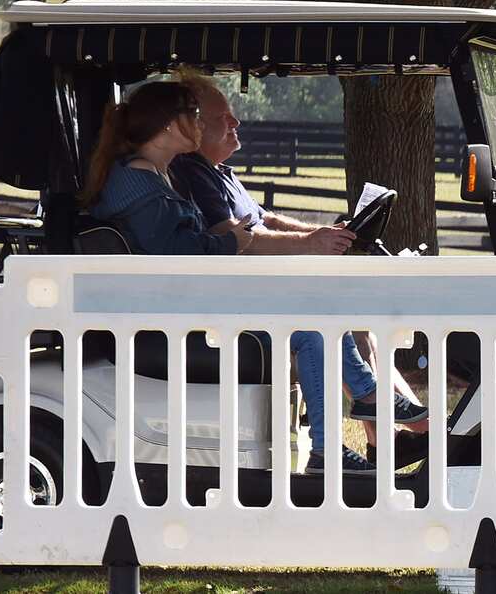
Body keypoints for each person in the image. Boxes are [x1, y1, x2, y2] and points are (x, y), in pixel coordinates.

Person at [83, 81, 380, 475]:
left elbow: (184, 248)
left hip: (180, 306)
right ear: (171, 126)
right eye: (194, 116)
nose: (201, 125)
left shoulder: (155, 176)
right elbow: (182, 255)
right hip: (172, 319)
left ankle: (351, 417)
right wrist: (231, 241)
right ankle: (351, 419)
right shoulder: (142, 188)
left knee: (316, 313)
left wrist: (228, 240)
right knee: (312, 324)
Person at [168, 71, 429, 438]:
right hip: (239, 298)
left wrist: (321, 234)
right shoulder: (193, 172)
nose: (235, 122)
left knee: (357, 324)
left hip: (259, 291)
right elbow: (241, 236)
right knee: (336, 319)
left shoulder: (218, 171)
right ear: (194, 126)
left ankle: (393, 433)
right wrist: (311, 244)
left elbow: (264, 218)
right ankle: (410, 428)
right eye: (222, 118)